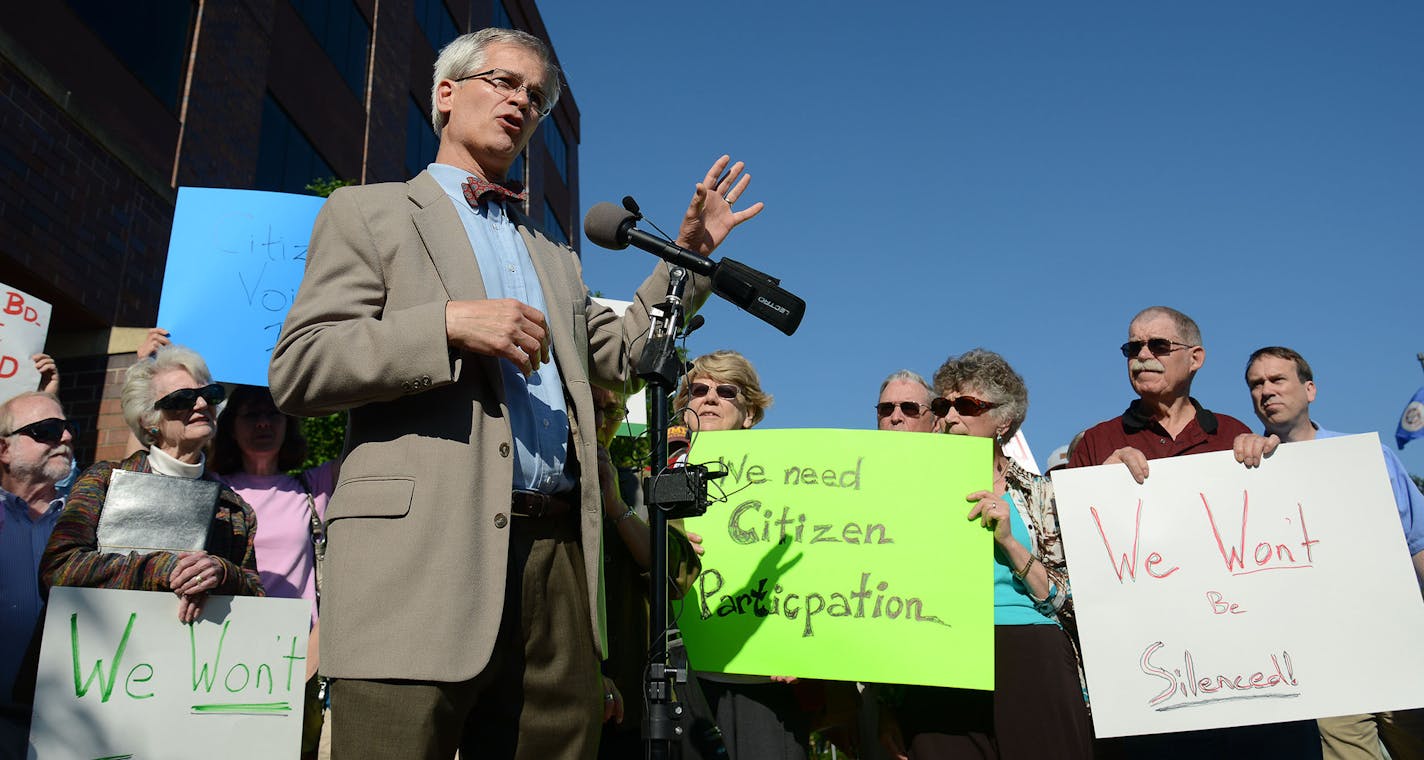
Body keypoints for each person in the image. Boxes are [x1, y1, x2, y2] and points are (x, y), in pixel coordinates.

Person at [266, 26, 761, 759]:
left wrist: (687, 258)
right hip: (418, 557)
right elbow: (301, 366)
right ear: (445, 93)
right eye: (504, 82)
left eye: (536, 95)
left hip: (557, 559)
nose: (521, 102)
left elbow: (622, 354)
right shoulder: (367, 213)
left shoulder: (554, 257)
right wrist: (444, 325)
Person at [1067, 307, 1319, 758]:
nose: (1142, 356)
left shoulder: (1234, 433)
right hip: (1154, 686)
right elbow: (1068, 556)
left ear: (1196, 358)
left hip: (1250, 677)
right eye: (1132, 348)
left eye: (1158, 345)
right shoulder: (1096, 444)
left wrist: (1265, 466)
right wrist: (1093, 491)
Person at [880, 349, 1090, 759]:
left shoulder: (1040, 493)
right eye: (944, 405)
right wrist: (888, 702)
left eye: (969, 405)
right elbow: (886, 599)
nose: (952, 416)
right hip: (940, 651)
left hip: (1029, 649)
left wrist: (1010, 542)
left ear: (1005, 419)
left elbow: (1070, 600)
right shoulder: (908, 492)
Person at [1232, 346, 1424, 760]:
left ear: (1310, 389)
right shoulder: (1244, 473)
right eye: (1256, 384)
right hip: (1323, 664)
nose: (1266, 391)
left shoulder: (1367, 458)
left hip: (1399, 647)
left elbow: (1419, 544)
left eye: (1277, 380)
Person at [40, 345, 263, 620]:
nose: (202, 405)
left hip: (189, 659)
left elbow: (256, 597)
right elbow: (57, 570)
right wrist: (160, 570)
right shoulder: (104, 481)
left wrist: (222, 572)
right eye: (182, 398)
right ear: (148, 420)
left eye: (210, 394)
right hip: (97, 655)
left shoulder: (235, 510)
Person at [671, 351, 808, 758]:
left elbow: (812, 562)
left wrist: (806, 650)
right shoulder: (656, 473)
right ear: (684, 407)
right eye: (699, 389)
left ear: (749, 414)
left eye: (726, 391)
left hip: (761, 682)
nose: (710, 398)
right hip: (683, 673)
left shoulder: (795, 475)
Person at [210, 385, 336, 760]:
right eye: (251, 414)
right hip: (220, 651)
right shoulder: (212, 488)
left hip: (297, 660)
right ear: (231, 426)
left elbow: (362, 432)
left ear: (288, 422)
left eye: (274, 412)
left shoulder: (312, 487)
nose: (264, 422)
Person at [591, 385, 703, 758]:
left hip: (633, 712)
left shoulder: (644, 485)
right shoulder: (542, 486)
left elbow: (679, 573)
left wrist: (618, 509)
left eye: (612, 411)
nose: (601, 421)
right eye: (592, 406)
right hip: (560, 698)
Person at [0, 391, 74, 752]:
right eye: (47, 429)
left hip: (72, 729)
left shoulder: (88, 517)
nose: (65, 437)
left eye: (65, 428)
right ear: (4, 450)